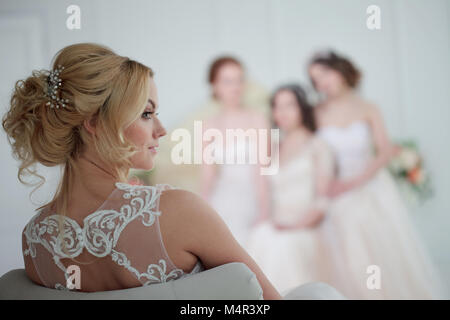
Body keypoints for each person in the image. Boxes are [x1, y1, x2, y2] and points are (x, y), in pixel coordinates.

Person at [1, 43, 282, 299]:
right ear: (95, 122)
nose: (161, 130)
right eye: (147, 114)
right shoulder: (179, 212)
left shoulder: (35, 241)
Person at [308, 49, 444, 299]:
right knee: (347, 244)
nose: (322, 82)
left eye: (325, 73)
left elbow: (384, 151)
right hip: (335, 187)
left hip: (368, 184)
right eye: (315, 79)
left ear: (339, 69)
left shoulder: (368, 108)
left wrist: (356, 181)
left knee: (383, 247)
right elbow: (312, 155)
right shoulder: (316, 112)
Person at [246, 84, 334, 295]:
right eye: (277, 106)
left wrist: (295, 226)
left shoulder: (317, 145)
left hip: (306, 227)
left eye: (289, 105)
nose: (282, 113)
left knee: (283, 248)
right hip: (278, 225)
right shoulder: (275, 146)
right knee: (260, 236)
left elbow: (323, 201)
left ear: (302, 108)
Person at [200, 56, 271, 247]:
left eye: (239, 79)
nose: (236, 87)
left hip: (252, 192)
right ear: (215, 85)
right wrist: (202, 208)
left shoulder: (257, 119)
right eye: (228, 81)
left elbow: (262, 170)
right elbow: (208, 176)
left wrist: (264, 209)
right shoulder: (208, 125)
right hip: (223, 193)